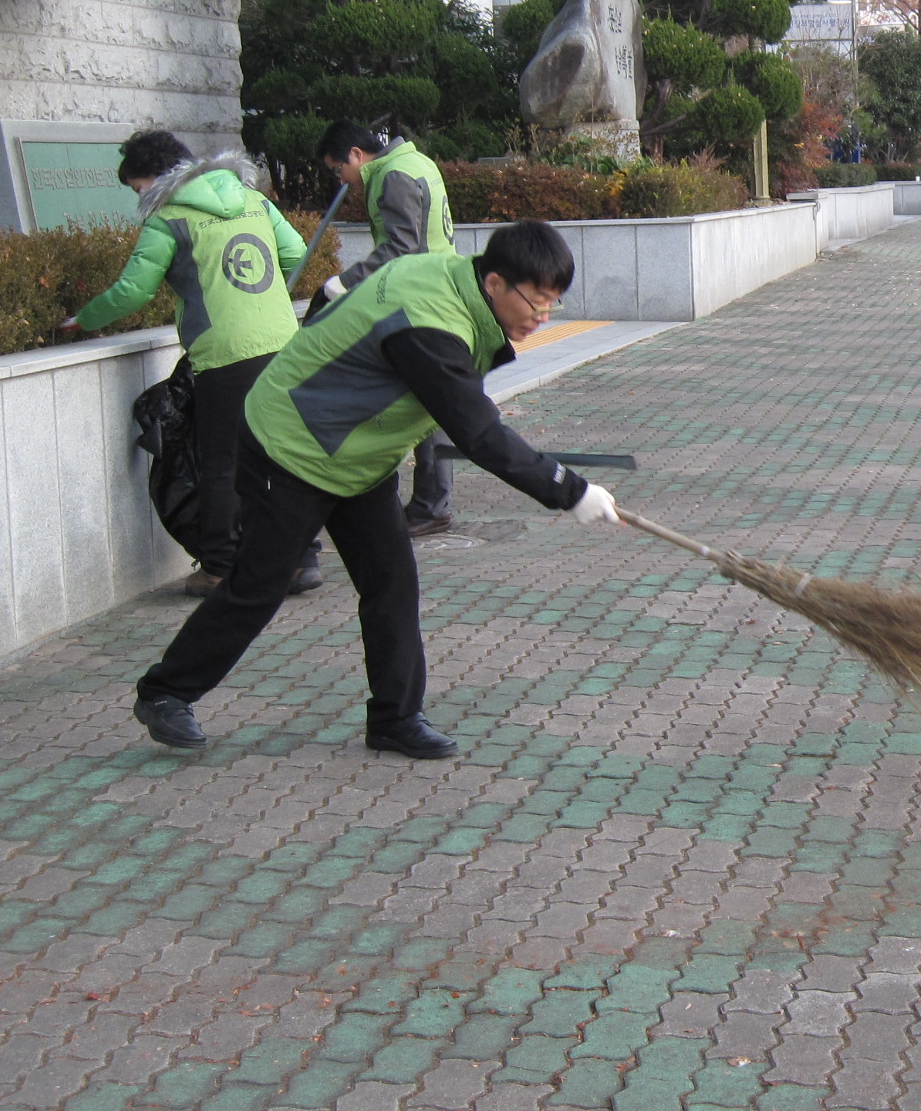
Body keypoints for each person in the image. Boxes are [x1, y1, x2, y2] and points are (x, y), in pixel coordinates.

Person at [132, 219, 622, 760]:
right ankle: (165, 693)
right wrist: (568, 490)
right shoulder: (431, 325)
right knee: (260, 584)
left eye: (554, 304)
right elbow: (479, 433)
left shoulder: (447, 276)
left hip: (354, 456)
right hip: (290, 444)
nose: (542, 317)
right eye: (537, 302)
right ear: (495, 284)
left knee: (391, 581)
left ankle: (395, 717)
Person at [64, 131, 322, 598]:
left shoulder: (169, 219)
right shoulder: (250, 198)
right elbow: (294, 255)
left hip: (224, 354)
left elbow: (134, 291)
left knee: (220, 462)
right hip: (284, 343)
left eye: (138, 186)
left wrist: (82, 319)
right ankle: (301, 560)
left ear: (157, 178)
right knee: (283, 456)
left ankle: (220, 565)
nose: (139, 197)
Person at [315, 120, 463, 536]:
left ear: (357, 156)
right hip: (438, 297)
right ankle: (431, 503)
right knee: (429, 405)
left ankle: (428, 505)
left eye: (337, 168)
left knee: (416, 406)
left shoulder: (393, 175)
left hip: (421, 306)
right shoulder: (417, 162)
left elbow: (400, 246)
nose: (341, 180)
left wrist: (344, 283)